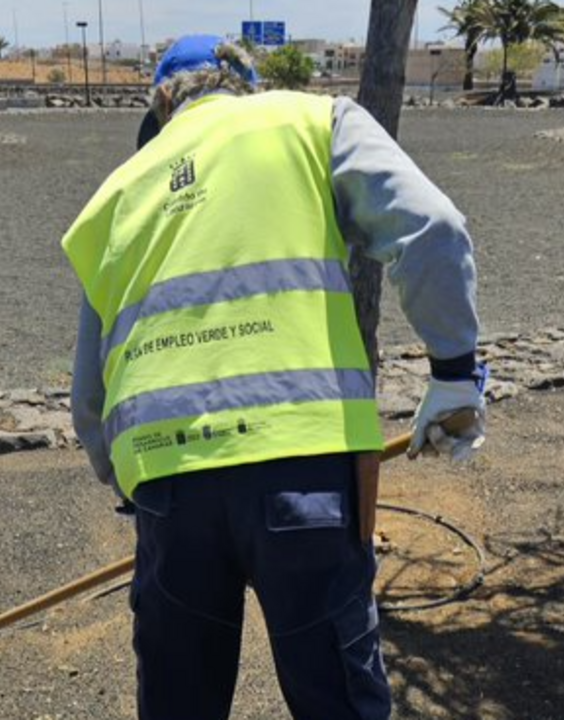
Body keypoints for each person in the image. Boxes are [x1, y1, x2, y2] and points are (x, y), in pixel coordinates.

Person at [60, 34, 485, 720]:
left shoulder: (117, 193)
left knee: (178, 702)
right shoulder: (310, 122)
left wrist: (133, 485)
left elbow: (89, 399)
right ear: (244, 84)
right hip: (304, 474)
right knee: (338, 701)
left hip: (169, 486)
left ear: (162, 109)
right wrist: (455, 372)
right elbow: (433, 227)